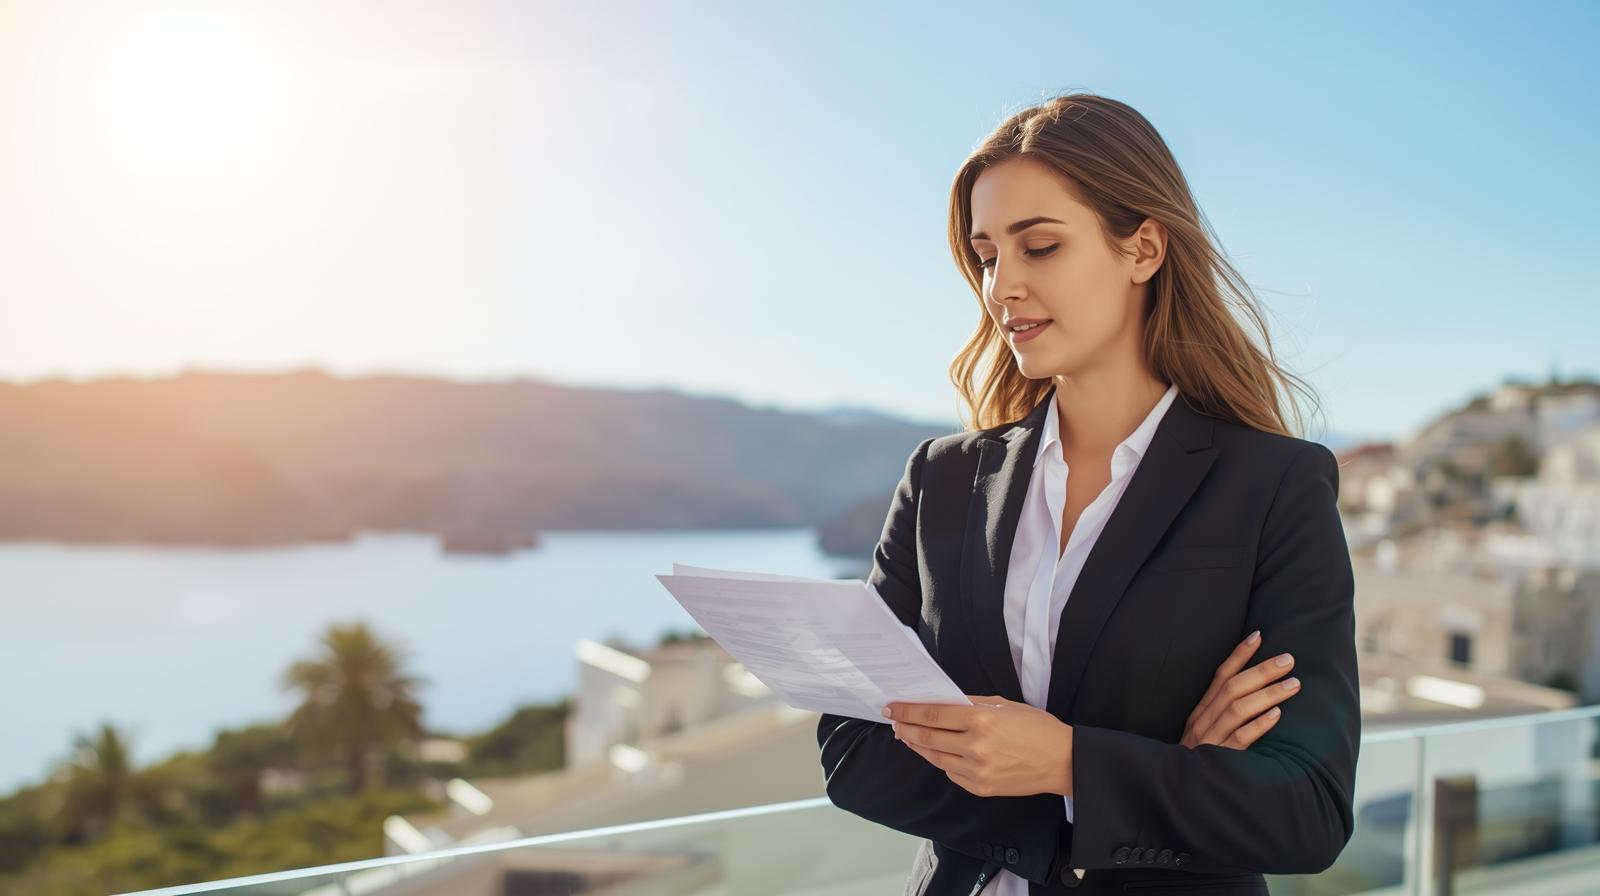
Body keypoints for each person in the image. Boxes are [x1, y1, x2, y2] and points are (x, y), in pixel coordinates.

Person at [815, 92, 1359, 896]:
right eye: (988, 254)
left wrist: (1068, 760)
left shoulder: (1275, 488)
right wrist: (1144, 775)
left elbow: (1307, 810)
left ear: (1143, 249)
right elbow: (854, 753)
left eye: (1039, 246)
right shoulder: (942, 479)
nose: (1002, 287)